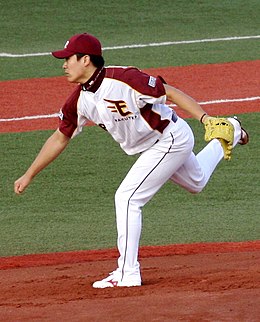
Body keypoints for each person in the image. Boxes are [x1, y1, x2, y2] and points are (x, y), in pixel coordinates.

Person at [14, 33, 249, 288]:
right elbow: (60, 137)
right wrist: (29, 174)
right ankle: (233, 131)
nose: (63, 64)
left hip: (169, 140)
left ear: (85, 60)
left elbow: (169, 93)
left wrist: (205, 119)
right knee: (197, 182)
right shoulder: (79, 100)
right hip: (158, 146)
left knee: (127, 198)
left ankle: (128, 272)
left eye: (68, 59)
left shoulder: (124, 79)